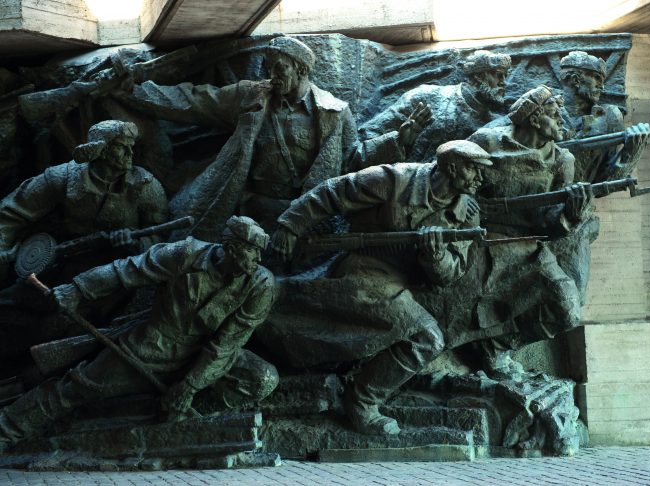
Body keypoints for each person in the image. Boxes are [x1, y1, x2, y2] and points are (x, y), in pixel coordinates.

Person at [270, 140, 491, 435]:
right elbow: (334, 192)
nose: (481, 178)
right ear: (451, 167)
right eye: (474, 169)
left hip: (405, 282)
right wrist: (291, 225)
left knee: (433, 332)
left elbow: (450, 274)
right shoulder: (397, 180)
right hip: (363, 268)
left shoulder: (466, 214)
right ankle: (362, 402)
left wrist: (434, 255)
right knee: (426, 338)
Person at [0, 216, 278, 451]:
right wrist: (76, 290)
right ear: (230, 247)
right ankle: (6, 430)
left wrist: (190, 386)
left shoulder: (261, 283)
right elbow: (127, 270)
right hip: (151, 346)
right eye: (252, 251)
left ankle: (175, 418)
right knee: (75, 389)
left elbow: (226, 344)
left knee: (262, 378)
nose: (258, 259)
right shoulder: (185, 254)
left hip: (209, 360)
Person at [116, 35, 429, 238]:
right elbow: (193, 100)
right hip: (250, 209)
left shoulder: (334, 112)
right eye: (268, 68)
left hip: (305, 215)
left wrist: (397, 141)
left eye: (279, 69)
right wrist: (132, 91)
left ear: (300, 70)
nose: (271, 76)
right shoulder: (251, 97)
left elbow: (353, 161)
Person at [0, 120, 169, 358]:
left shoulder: (145, 186)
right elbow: (10, 213)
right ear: (101, 149)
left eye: (131, 146)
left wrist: (135, 244)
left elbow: (160, 236)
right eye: (122, 147)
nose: (131, 153)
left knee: (59, 327)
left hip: (113, 274)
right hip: (60, 259)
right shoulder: (62, 177)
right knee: (8, 307)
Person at [466, 85, 594, 359]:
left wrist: (570, 214)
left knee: (567, 308)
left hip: (528, 247)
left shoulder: (562, 160)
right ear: (535, 118)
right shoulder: (487, 141)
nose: (562, 120)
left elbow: (549, 224)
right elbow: (456, 179)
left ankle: (495, 347)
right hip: (478, 239)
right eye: (554, 114)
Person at [359, 50, 511, 164]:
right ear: (479, 76)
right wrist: (400, 141)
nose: (504, 82)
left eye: (506, 76)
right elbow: (365, 138)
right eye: (499, 75)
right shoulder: (425, 97)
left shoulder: (494, 126)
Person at [559, 50, 650, 182]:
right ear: (575, 79)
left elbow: (606, 182)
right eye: (596, 78)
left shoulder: (608, 118)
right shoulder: (544, 113)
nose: (601, 86)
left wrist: (632, 152)